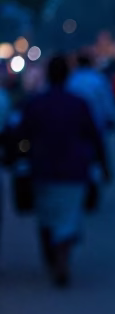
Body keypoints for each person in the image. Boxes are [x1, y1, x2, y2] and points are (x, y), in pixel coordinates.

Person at [17, 54, 107, 286]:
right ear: (67, 76)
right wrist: (103, 166)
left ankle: (55, 259)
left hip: (43, 170)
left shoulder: (36, 103)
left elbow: (21, 135)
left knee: (47, 217)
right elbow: (94, 137)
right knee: (67, 218)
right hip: (73, 171)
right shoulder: (78, 104)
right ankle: (62, 258)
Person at [68, 52, 115, 134]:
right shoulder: (98, 79)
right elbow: (106, 100)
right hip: (96, 123)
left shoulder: (71, 80)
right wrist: (111, 118)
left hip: (76, 124)